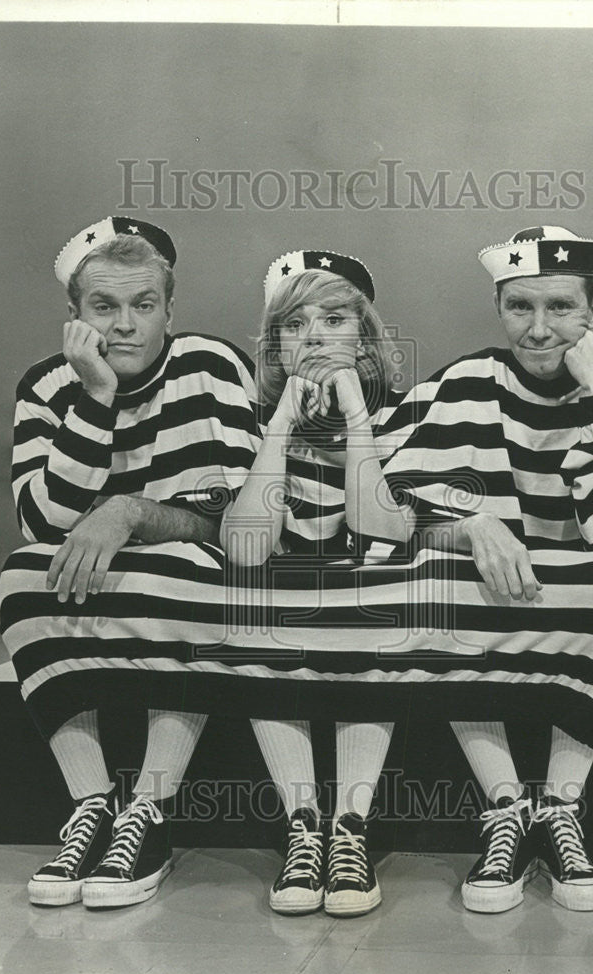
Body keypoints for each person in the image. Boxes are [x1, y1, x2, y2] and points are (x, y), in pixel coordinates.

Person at [0, 216, 261, 908]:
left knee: (186, 564)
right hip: (105, 582)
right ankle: (90, 805)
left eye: (143, 305)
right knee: (21, 574)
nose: (124, 325)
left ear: (169, 310)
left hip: (190, 575)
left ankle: (148, 810)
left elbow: (237, 520)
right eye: (103, 307)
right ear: (74, 316)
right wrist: (95, 399)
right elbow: (40, 524)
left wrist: (130, 511)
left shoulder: (209, 363)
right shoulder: (47, 386)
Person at [404, 226, 593, 913]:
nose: (540, 328)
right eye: (520, 308)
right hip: (489, 588)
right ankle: (505, 810)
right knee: (435, 588)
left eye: (560, 308)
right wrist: (469, 524)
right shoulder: (466, 381)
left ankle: (560, 811)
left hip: (582, 585)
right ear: (499, 310)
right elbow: (384, 501)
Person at [219, 251, 414, 917]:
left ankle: (349, 826)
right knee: (252, 595)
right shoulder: (250, 422)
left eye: (334, 319)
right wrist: (279, 429)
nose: (315, 337)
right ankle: (303, 825)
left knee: (379, 590)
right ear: (274, 345)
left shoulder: (406, 418)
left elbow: (385, 532)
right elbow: (246, 546)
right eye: (294, 325)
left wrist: (356, 416)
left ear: (364, 337)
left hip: (373, 608)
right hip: (281, 604)